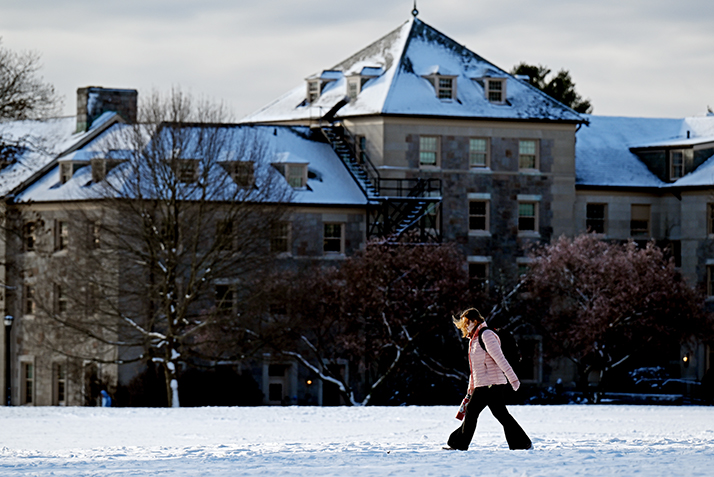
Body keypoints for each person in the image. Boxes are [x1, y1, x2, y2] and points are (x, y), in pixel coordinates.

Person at [445, 308, 532, 451]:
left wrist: (513, 379)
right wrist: (471, 388)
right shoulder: (474, 339)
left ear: (474, 320)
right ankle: (522, 443)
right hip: (485, 383)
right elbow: (475, 369)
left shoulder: (487, 335)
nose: (465, 327)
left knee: (472, 412)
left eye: (467, 323)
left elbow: (500, 358)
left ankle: (458, 444)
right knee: (500, 414)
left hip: (491, 384)